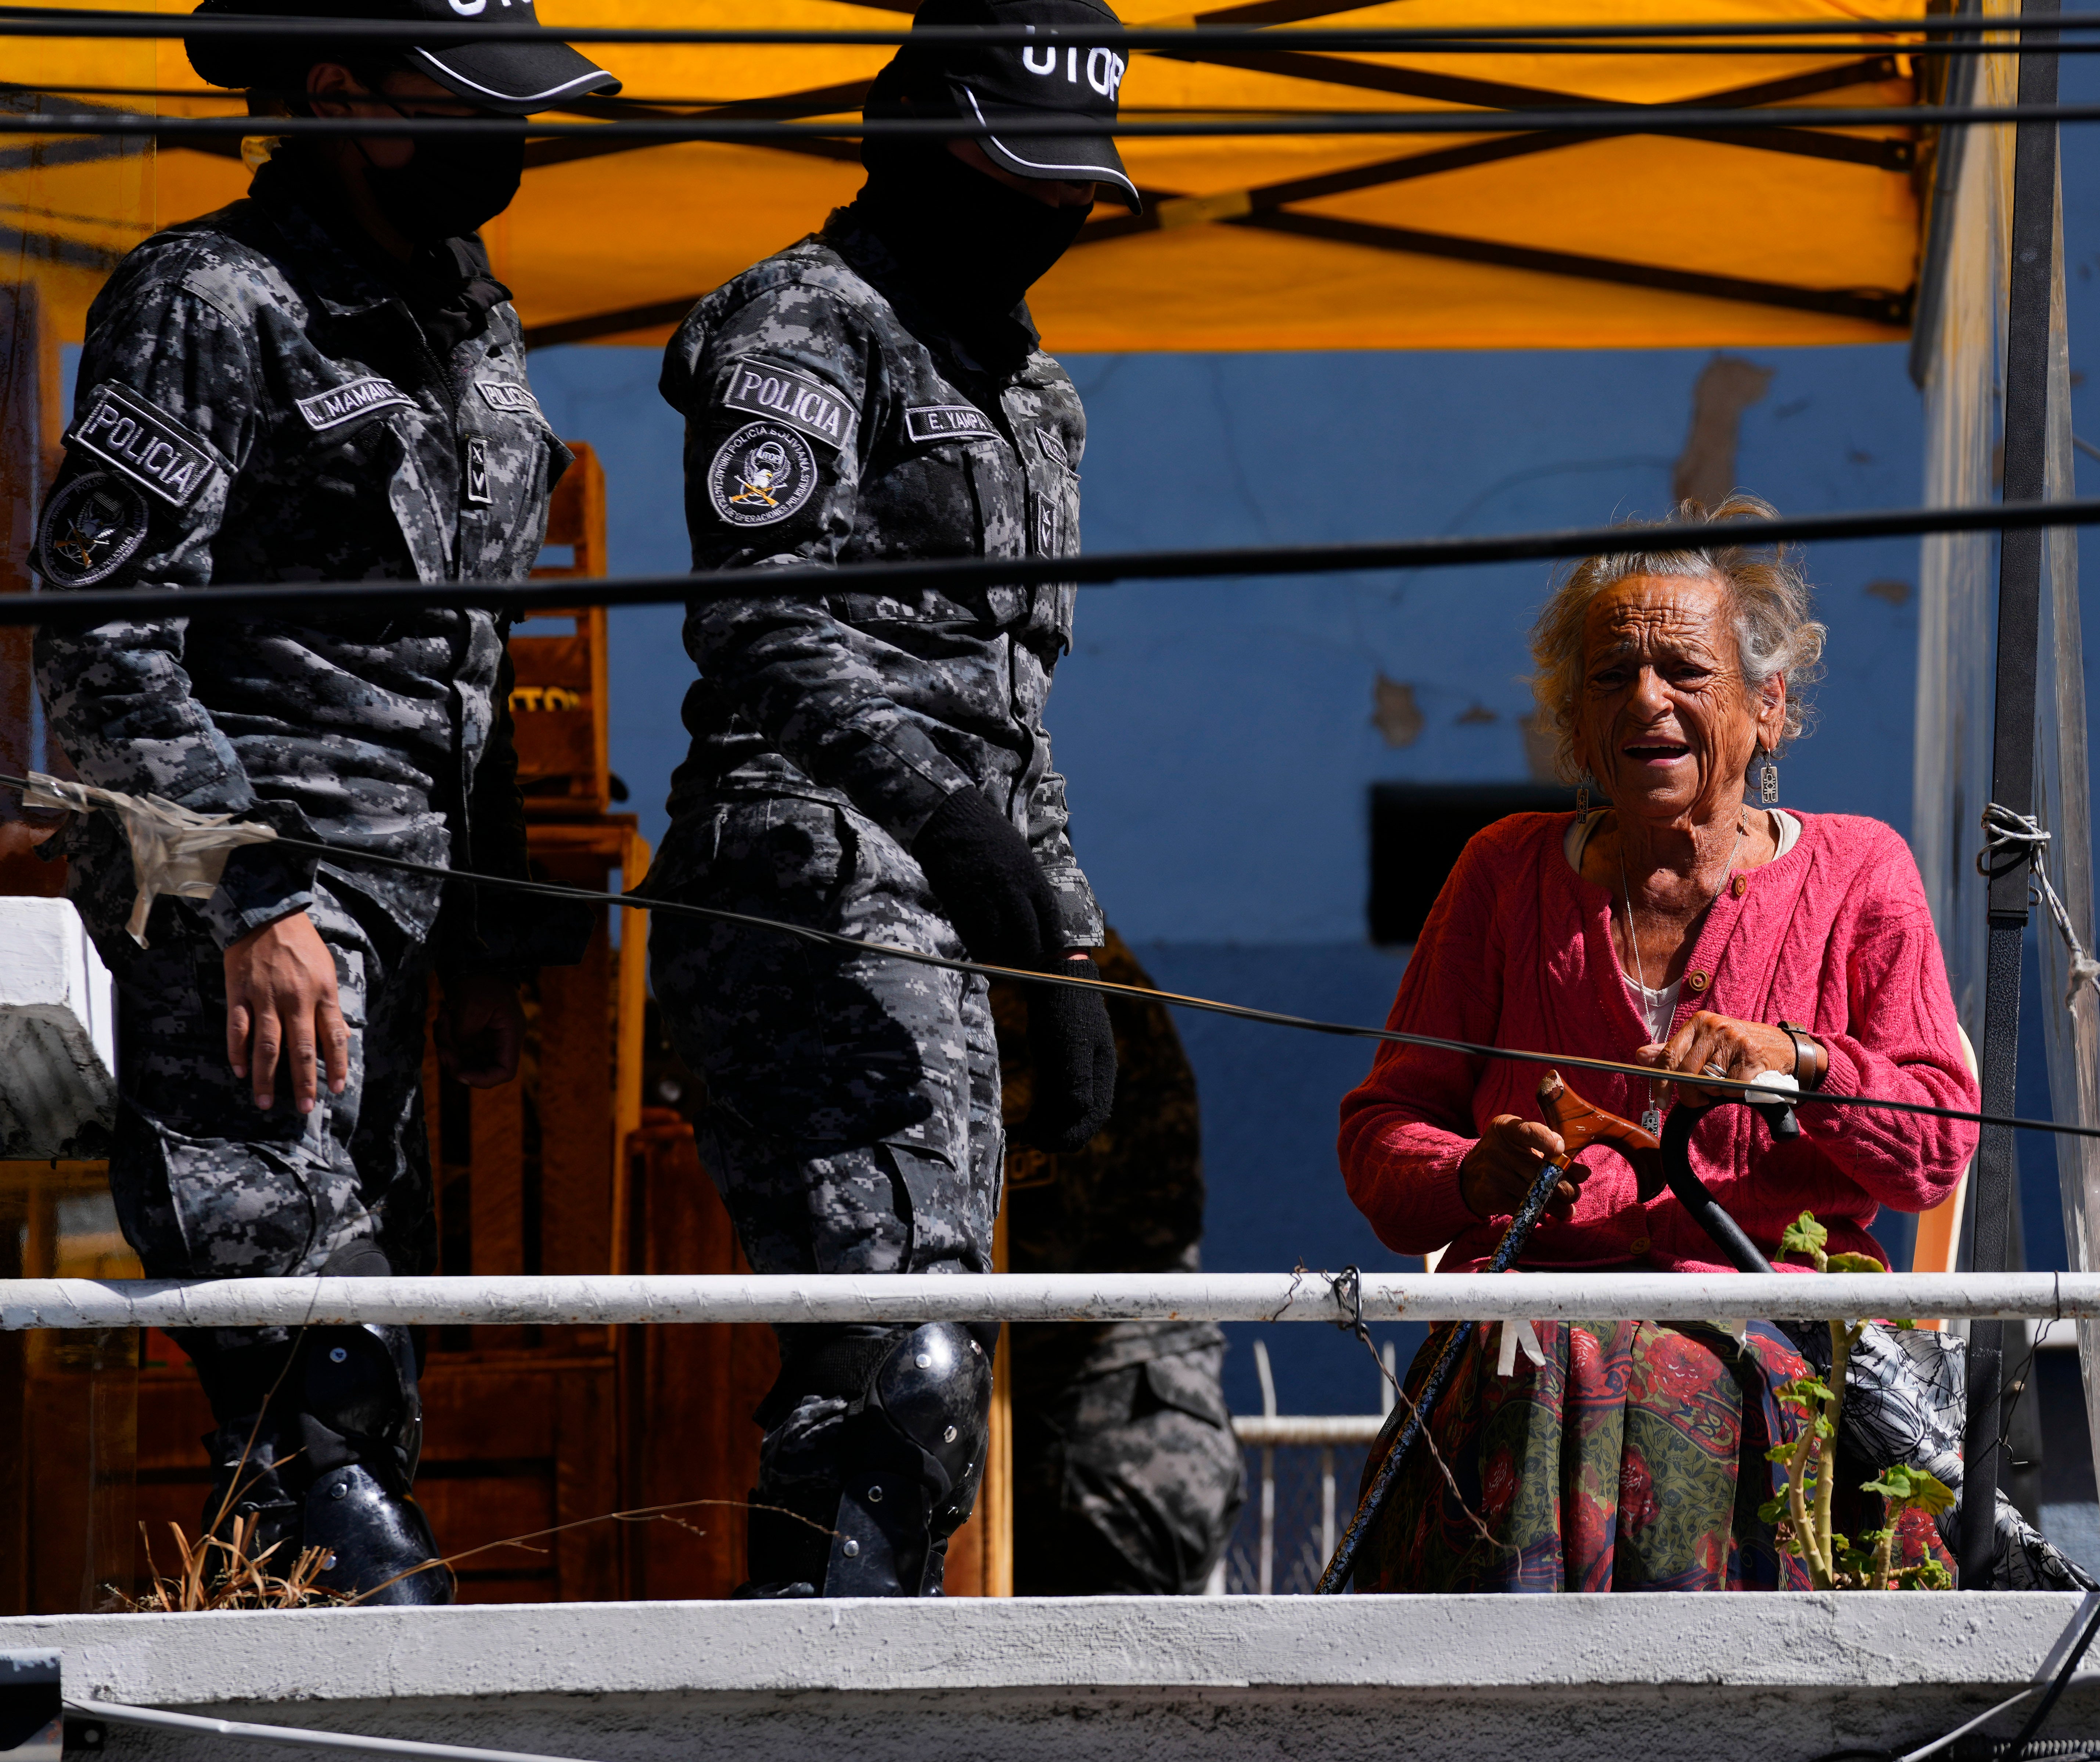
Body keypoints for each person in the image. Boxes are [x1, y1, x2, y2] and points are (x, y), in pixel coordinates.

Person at [25, 0, 614, 1602]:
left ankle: (301, 1741)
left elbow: (474, 654)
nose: (514, 141)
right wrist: (253, 895)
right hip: (249, 906)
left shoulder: (463, 308)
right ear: (342, 92)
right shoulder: (206, 296)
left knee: (352, 1373)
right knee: (317, 1386)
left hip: (407, 915)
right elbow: (95, 637)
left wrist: (487, 930)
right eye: (474, 102)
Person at [1334, 500, 2093, 1593]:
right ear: (1575, 719)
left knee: (1633, 1366)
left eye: (1684, 670)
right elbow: (1380, 1137)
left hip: (1771, 1335)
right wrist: (1468, 1169)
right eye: (1611, 675)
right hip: (1525, 1346)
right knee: (1551, 1358)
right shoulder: (1501, 873)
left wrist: (1802, 1058)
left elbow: (1934, 1145)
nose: (1647, 698)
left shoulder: (1858, 872)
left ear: (1768, 706)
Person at [644, 0, 1129, 1598]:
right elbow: (758, 615)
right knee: (892, 1363)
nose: (1052, 217)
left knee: (924, 1365)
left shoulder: (1035, 393)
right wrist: (953, 827)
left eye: (1076, 191)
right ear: (918, 144)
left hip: (944, 897)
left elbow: (1012, 711)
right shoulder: (804, 320)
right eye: (1020, 178)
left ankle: (828, 1690)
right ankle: (814, 1727)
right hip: (809, 868)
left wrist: (1058, 949)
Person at [993, 931, 1241, 1596]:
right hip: (1119, 1426)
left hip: (1097, 1444)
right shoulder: (1064, 957)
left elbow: (1037, 1239)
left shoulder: (1043, 984)